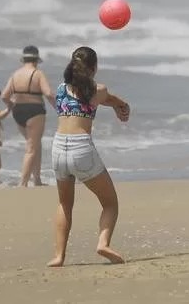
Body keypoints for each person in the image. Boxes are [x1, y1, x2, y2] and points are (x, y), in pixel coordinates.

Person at [47, 46, 130, 267]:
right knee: (110, 203)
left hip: (57, 147)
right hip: (80, 147)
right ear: (93, 68)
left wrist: (117, 106)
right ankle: (103, 243)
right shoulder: (97, 89)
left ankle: (58, 256)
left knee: (64, 203)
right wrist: (122, 106)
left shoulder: (61, 88)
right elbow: (112, 100)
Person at [1, 46, 54, 187]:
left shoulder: (15, 75)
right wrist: (59, 107)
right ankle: (22, 183)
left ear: (23, 59)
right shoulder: (38, 73)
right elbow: (48, 93)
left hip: (18, 111)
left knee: (35, 144)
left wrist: (11, 105)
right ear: (36, 60)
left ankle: (37, 179)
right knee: (31, 147)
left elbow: (4, 96)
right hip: (35, 111)